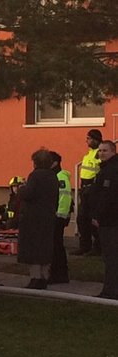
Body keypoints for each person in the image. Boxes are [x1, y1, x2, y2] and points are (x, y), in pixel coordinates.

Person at [17, 148, 60, 290]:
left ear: (36, 162)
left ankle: (35, 278)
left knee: (34, 248)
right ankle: (44, 277)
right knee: (45, 248)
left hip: (33, 218)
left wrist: (21, 188)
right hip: (48, 217)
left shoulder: (35, 176)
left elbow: (29, 194)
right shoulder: (53, 176)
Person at [91, 140, 118, 299]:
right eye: (100, 151)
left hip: (110, 220)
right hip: (109, 219)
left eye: (105, 151)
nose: (101, 153)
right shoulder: (106, 169)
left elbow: (107, 197)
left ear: (113, 152)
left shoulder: (111, 170)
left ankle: (110, 290)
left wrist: (97, 215)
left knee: (111, 257)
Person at [75, 128, 103, 256]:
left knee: (92, 219)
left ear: (95, 139)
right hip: (85, 188)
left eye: (89, 138)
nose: (87, 141)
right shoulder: (89, 154)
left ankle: (97, 247)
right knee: (82, 219)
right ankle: (84, 246)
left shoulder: (99, 153)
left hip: (93, 189)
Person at [49, 150, 73, 285]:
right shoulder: (55, 176)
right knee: (56, 246)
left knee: (56, 246)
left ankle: (60, 275)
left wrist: (60, 216)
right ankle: (59, 274)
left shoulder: (60, 177)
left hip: (57, 217)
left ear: (55, 163)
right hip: (56, 216)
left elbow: (64, 198)